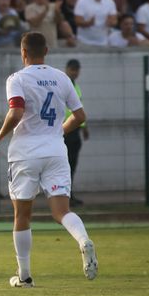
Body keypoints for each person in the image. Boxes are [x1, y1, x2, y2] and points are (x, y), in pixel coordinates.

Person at [0, 32, 98, 288]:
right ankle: (83, 240)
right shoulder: (62, 78)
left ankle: (24, 276)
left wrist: (0, 134)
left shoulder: (17, 79)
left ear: (23, 53)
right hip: (56, 151)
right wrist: (59, 131)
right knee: (62, 211)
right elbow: (80, 116)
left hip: (25, 153)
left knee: (22, 215)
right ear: (46, 51)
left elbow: (16, 112)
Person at [61, 58, 89, 207]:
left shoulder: (75, 86)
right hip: (65, 130)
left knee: (71, 165)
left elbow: (79, 110)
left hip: (74, 129)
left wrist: (84, 127)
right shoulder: (63, 84)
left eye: (76, 70)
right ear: (67, 69)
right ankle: (65, 196)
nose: (75, 73)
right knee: (65, 165)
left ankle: (68, 195)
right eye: (72, 70)